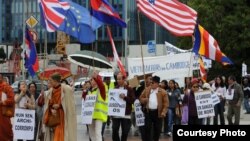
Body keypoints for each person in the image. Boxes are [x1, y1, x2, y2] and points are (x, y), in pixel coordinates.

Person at [43, 73, 77, 141]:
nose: (49, 82)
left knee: (62, 136)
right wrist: (52, 107)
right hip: (54, 117)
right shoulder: (50, 91)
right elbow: (49, 104)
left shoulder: (67, 89)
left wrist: (60, 105)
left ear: (55, 81)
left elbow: (70, 104)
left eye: (51, 81)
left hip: (64, 117)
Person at [140, 75, 168, 141]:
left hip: (158, 113)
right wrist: (144, 100)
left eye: (153, 82)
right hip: (148, 112)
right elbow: (141, 98)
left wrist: (163, 112)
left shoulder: (163, 92)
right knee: (147, 128)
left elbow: (166, 104)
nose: (151, 83)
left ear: (157, 83)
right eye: (151, 82)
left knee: (157, 130)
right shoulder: (147, 89)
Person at [112, 72, 135, 141]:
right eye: (117, 79)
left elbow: (133, 100)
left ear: (123, 79)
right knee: (115, 130)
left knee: (125, 131)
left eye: (119, 79)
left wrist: (125, 97)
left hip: (126, 114)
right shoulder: (114, 89)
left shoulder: (129, 89)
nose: (118, 81)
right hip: (116, 114)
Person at [88, 71, 107, 141]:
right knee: (91, 134)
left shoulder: (101, 90)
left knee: (98, 133)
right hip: (90, 116)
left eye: (92, 80)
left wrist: (96, 78)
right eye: (91, 80)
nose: (91, 81)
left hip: (98, 116)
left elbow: (101, 85)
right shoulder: (89, 90)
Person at [0, 73, 15, 141]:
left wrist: (3, 102)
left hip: (3, 113)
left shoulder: (6, 87)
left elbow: (12, 100)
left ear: (1, 78)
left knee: (5, 131)